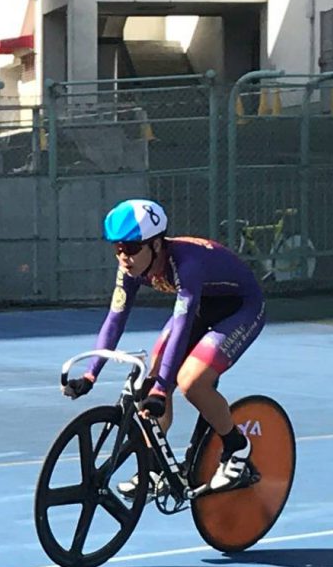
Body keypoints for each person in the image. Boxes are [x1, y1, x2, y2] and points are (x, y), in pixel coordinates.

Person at [63, 199, 266, 496]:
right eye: (117, 248)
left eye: (131, 248)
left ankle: (237, 448)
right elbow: (115, 319)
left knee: (191, 383)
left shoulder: (187, 266)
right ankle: (154, 468)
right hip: (200, 306)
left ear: (156, 245)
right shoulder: (130, 270)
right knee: (150, 381)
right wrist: (91, 375)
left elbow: (182, 327)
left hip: (240, 308)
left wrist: (162, 389)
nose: (123, 256)